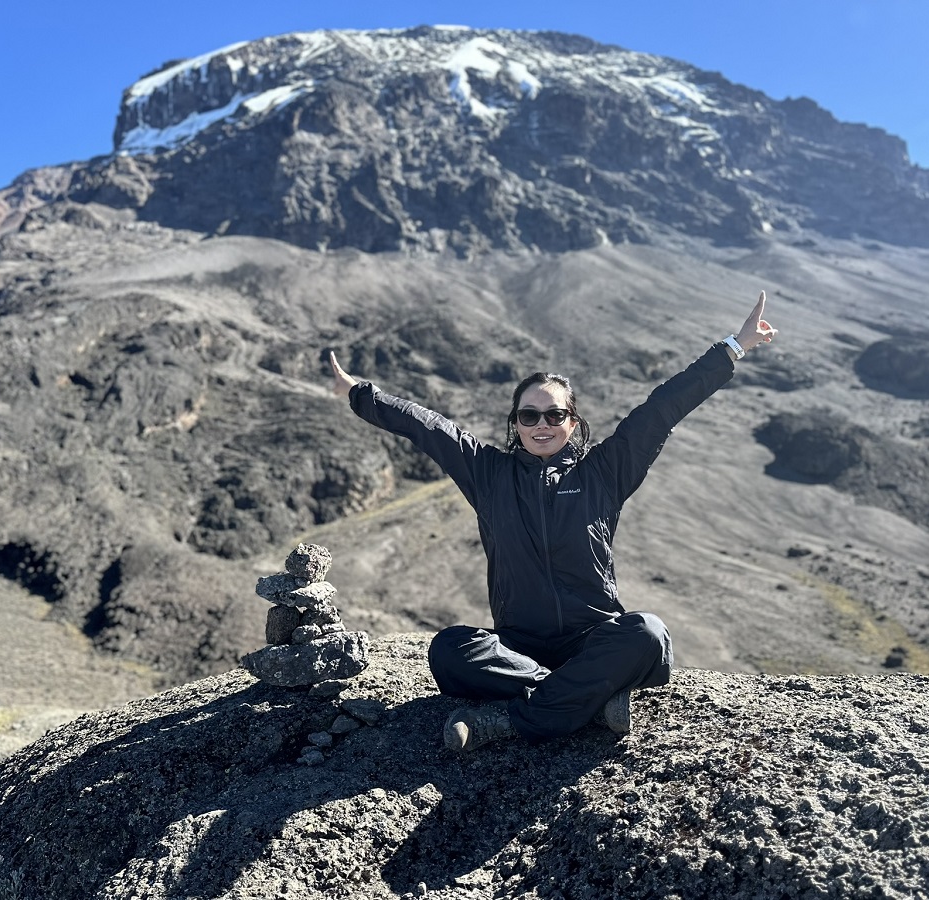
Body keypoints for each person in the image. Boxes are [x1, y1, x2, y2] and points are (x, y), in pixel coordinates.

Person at [327, 292, 778, 752]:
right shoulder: (488, 474)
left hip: (594, 638)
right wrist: (359, 395)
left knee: (648, 634)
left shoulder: (603, 472)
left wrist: (733, 347)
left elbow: (662, 409)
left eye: (555, 414)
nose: (542, 424)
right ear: (515, 423)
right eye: (529, 415)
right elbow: (428, 426)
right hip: (517, 649)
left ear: (572, 420)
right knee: (449, 649)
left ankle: (508, 720)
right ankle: (588, 699)